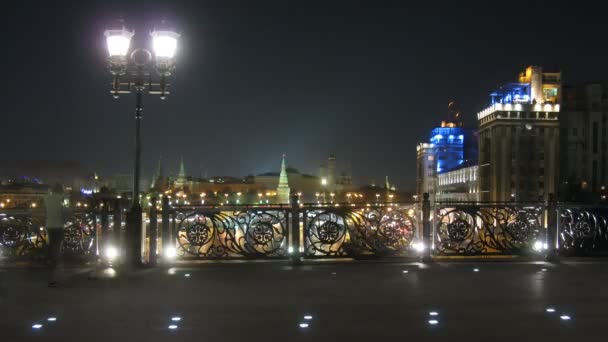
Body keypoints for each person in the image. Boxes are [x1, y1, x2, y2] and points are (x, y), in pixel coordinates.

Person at [43, 183, 65, 287]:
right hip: (58, 226)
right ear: (61, 190)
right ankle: (54, 276)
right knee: (56, 250)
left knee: (51, 247)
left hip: (49, 226)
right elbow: (66, 211)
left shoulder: (46, 197)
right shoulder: (62, 198)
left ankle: (50, 269)